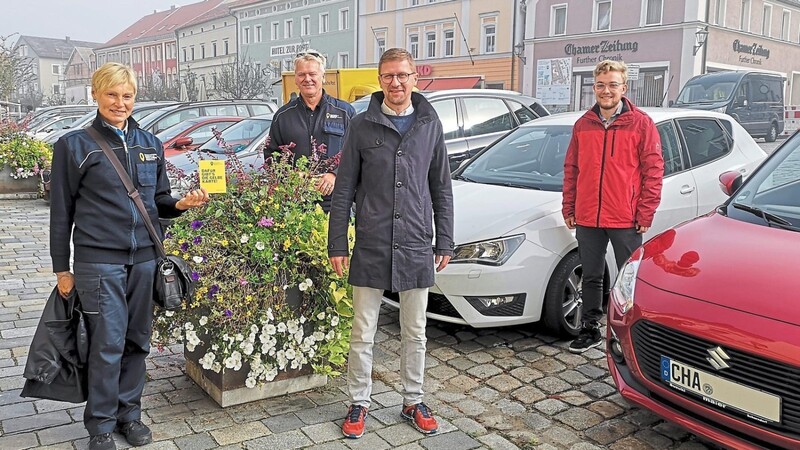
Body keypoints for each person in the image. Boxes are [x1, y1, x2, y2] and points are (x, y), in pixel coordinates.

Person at [49, 62, 209, 450]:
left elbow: (159, 203)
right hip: (97, 261)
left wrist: (182, 204)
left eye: (127, 96)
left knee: (137, 340)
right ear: (95, 95)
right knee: (106, 341)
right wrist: (61, 268)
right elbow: (61, 212)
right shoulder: (74, 146)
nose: (120, 103)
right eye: (112, 95)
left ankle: (129, 416)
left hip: (144, 260)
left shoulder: (150, 144)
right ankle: (101, 425)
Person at [327, 48, 454, 439]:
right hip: (372, 240)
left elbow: (441, 186)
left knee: (415, 329)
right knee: (363, 330)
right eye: (388, 76)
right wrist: (337, 244)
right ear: (379, 81)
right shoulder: (362, 125)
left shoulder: (430, 124)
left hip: (416, 240)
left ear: (415, 78)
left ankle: (413, 399)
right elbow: (344, 187)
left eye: (403, 75)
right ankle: (359, 402)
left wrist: (445, 239)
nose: (396, 83)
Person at [562, 59, 663, 354]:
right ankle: (590, 328)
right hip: (588, 216)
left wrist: (646, 212)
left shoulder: (641, 124)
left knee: (629, 279)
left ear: (624, 88)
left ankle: (628, 334)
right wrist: (570, 207)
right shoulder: (583, 125)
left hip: (626, 217)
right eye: (601, 85)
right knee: (592, 275)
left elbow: (653, 171)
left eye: (613, 85)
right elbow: (572, 169)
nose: (606, 91)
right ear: (594, 87)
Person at [265, 49, 355, 212]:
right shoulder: (283, 116)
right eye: (301, 75)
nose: (307, 79)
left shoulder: (344, 112)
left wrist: (335, 174)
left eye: (312, 74)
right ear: (296, 79)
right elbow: (271, 158)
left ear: (323, 77)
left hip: (337, 201)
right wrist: (291, 176)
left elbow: (358, 153)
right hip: (296, 203)